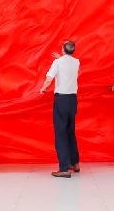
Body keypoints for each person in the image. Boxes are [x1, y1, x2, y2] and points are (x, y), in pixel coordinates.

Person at [40, 40, 80, 178]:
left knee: (61, 133)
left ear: (63, 49)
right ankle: (75, 163)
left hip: (62, 100)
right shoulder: (76, 62)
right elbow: (67, 64)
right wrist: (61, 58)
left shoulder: (57, 63)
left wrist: (43, 88)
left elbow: (49, 78)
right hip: (73, 100)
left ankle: (64, 168)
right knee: (70, 131)